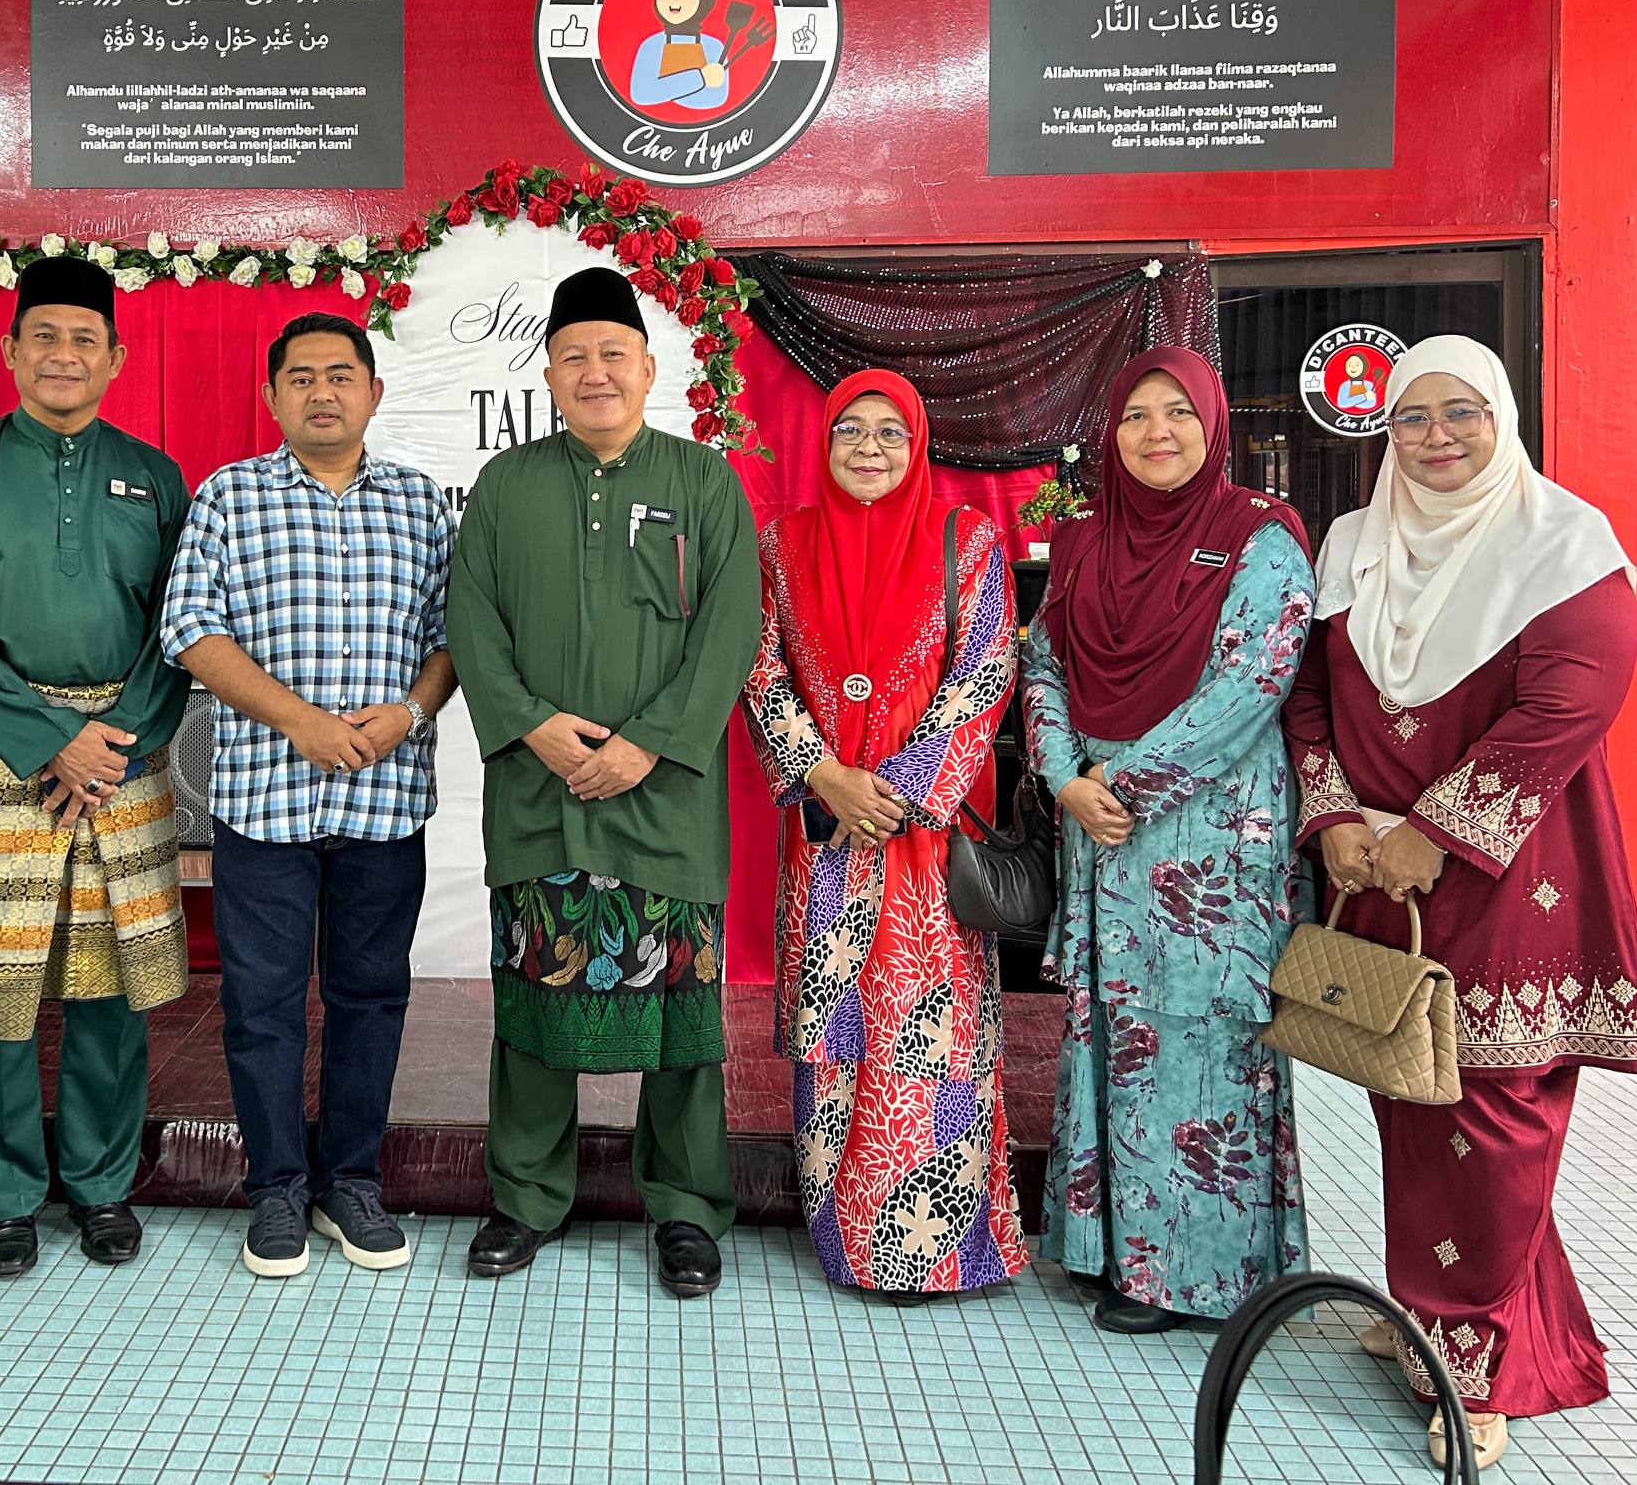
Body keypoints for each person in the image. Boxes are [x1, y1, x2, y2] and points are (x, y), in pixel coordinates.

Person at [1283, 335, 1637, 1476]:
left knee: (1497, 1113)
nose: (1436, 437)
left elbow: (1567, 707)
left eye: (1461, 414)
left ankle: (1472, 1371)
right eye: (1413, 417)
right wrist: (1335, 819)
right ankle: (1442, 1315)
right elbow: (1307, 696)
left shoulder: (1564, 545)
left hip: (1511, 880)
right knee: (1414, 1099)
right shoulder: (1356, 543)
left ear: (1502, 419)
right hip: (1381, 880)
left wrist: (1432, 836)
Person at [447, 265, 760, 1298]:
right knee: (535, 997)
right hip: (539, 790)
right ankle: (526, 1197)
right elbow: (471, 623)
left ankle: (686, 1206)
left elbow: (730, 630)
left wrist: (649, 744)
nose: (595, 372)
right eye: (573, 356)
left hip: (666, 797)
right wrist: (534, 728)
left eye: (612, 354)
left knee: (681, 1013)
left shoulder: (704, 482)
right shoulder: (505, 486)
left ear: (648, 368)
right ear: (546, 374)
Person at [0, 253, 191, 1278]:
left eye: (84, 339)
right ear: (10, 351)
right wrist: (44, 738)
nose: (64, 356)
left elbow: (182, 626)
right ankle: (8, 1198)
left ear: (116, 358)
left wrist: (116, 737)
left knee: (109, 986)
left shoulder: (155, 476)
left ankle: (103, 1187)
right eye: (45, 337)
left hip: (120, 756)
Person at [1020, 345, 1316, 1333]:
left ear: (1213, 424)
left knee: (1200, 1038)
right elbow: (1043, 666)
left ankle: (1194, 1278)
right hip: (1098, 826)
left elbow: (1252, 683)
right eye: (1136, 415)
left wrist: (1125, 783)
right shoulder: (1082, 542)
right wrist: (1065, 778)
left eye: (1178, 413)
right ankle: (1107, 1252)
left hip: (1209, 835)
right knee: (1110, 1030)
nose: (1157, 433)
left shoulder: (1259, 536)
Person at [160, 312, 457, 1279]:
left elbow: (455, 637)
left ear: (373, 392)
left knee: (372, 997)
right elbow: (190, 630)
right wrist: (301, 722)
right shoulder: (229, 496)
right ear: (272, 395)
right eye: (301, 377)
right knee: (262, 1004)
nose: (322, 392)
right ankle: (278, 1189)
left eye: (341, 375)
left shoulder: (421, 504)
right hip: (265, 801)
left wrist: (409, 713)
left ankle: (351, 1183)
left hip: (385, 799)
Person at [744, 369, 1027, 1303]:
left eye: (889, 432)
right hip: (825, 835)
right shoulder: (781, 545)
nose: (868, 448)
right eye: (850, 431)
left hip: (924, 850)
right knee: (836, 1040)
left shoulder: (966, 539)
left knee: (927, 1041)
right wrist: (825, 776)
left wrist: (898, 792)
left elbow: (986, 673)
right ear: (824, 443)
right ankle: (845, 1243)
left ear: (917, 444)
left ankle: (933, 1250)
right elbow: (760, 669)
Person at [628, 0, 730, 110]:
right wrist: (700, 78)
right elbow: (641, 94)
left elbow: (716, 98)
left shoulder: (714, 47)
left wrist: (665, 91)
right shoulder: (651, 45)